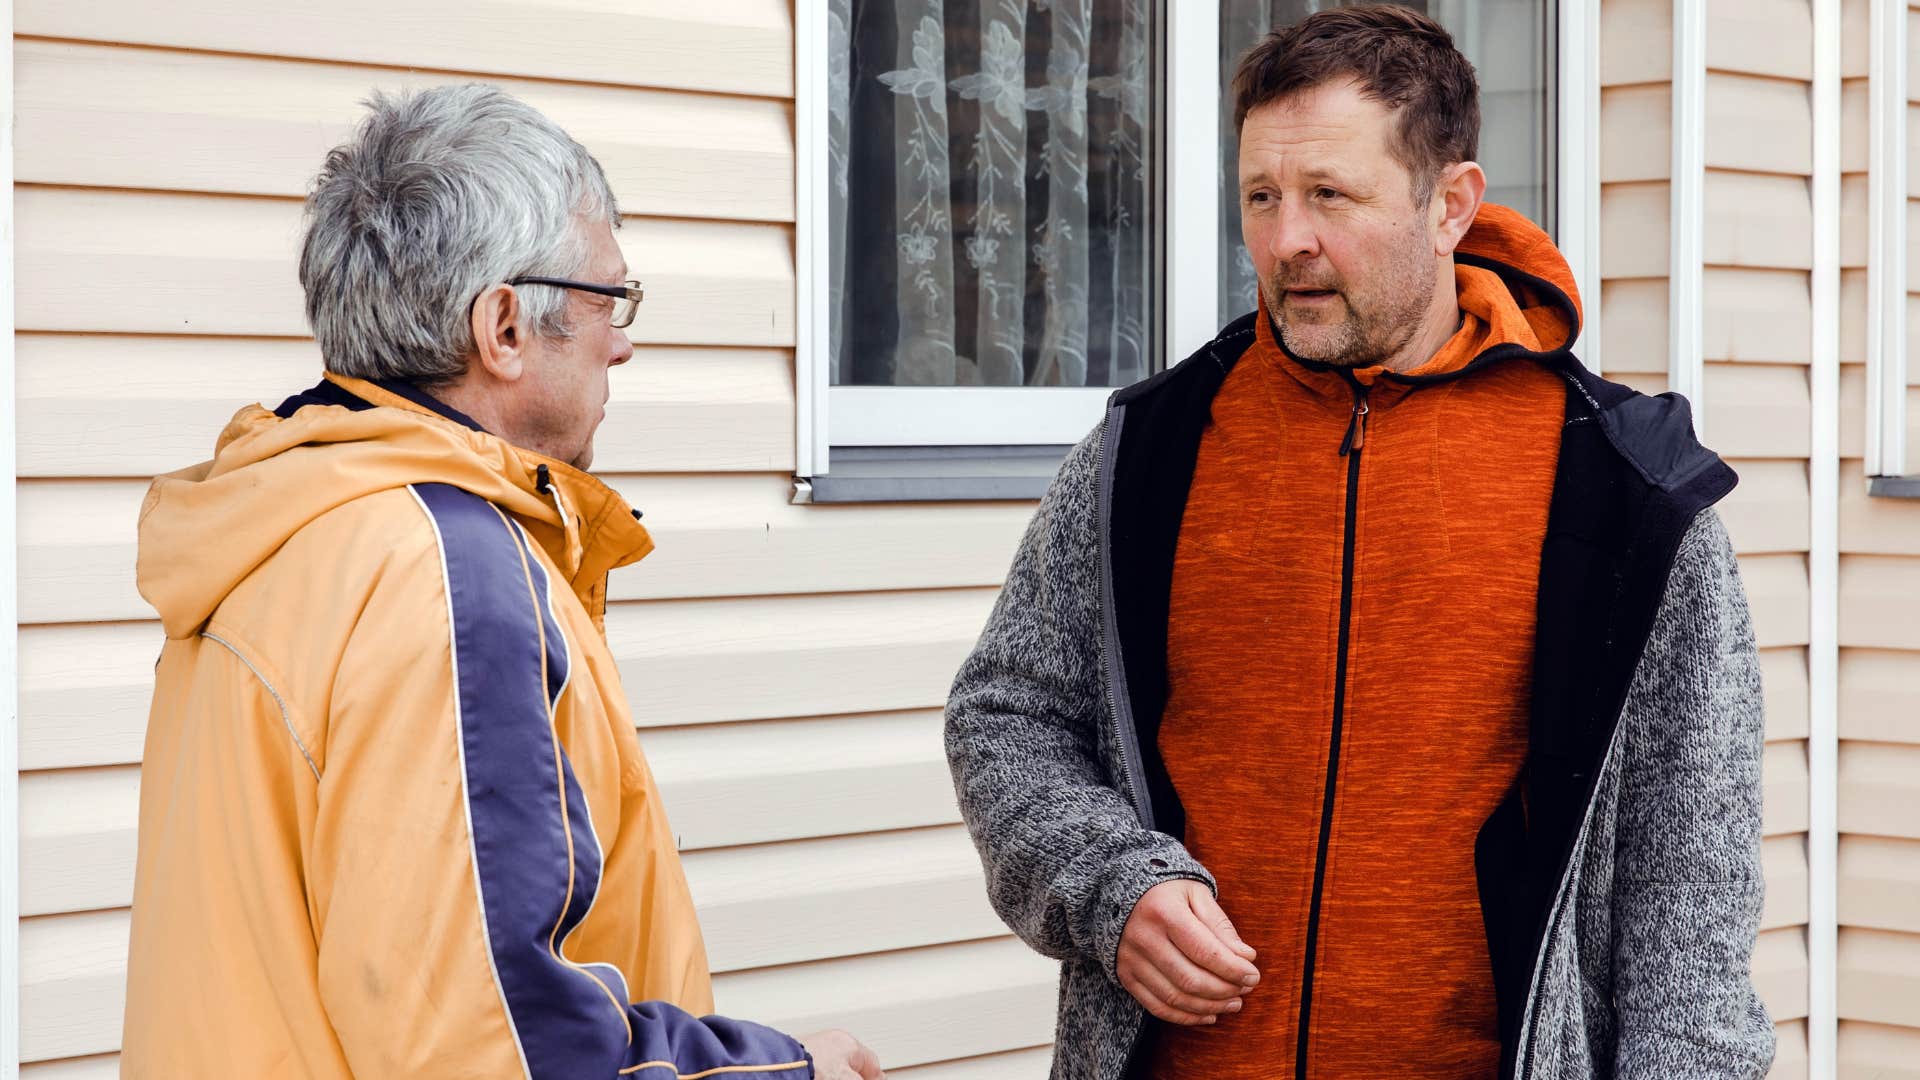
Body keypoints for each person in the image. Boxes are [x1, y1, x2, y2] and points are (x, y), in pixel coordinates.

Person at [945, 6, 1774, 1079]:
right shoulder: (1148, 454)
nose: (1289, 240)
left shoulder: (1624, 491)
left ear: (1450, 204)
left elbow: (1690, 888)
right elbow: (1006, 713)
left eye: (1330, 196)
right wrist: (1112, 884)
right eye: (1261, 197)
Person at [122, 84, 884, 1080]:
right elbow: (497, 1044)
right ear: (505, 328)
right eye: (611, 298)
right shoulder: (444, 577)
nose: (625, 339)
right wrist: (784, 1071)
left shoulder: (290, 522)